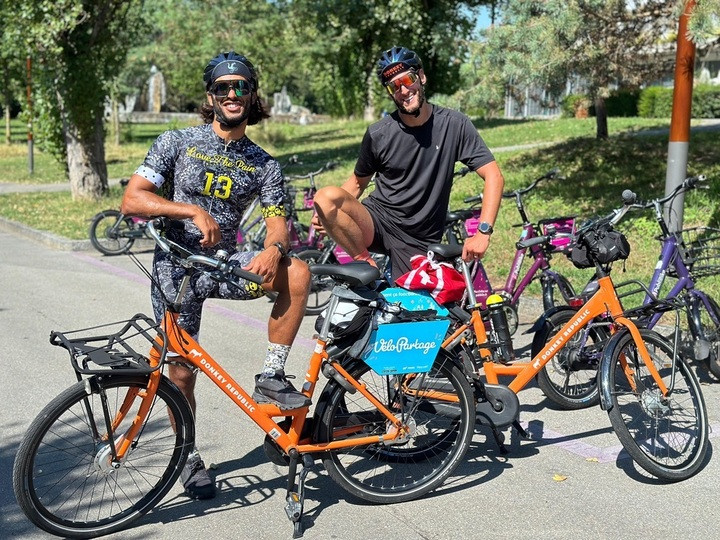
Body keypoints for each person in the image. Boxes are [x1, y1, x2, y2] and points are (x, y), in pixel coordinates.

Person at [121, 51, 311, 500]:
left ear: (251, 95)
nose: (232, 94)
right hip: (176, 268)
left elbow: (279, 222)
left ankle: (271, 374)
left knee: (297, 273)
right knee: (181, 371)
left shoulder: (265, 164)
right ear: (211, 96)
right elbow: (133, 199)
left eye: (240, 86)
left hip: (225, 266)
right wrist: (189, 209)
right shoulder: (177, 142)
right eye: (223, 87)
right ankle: (188, 456)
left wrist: (273, 248)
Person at [313, 46, 504, 282]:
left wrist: (483, 232)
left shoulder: (455, 125)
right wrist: (327, 213)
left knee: (411, 313)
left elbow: (494, 175)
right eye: (394, 86)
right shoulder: (378, 134)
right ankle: (365, 263)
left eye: (407, 80)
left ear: (421, 77)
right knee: (325, 198)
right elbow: (356, 183)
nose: (403, 90)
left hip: (420, 239)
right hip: (379, 223)